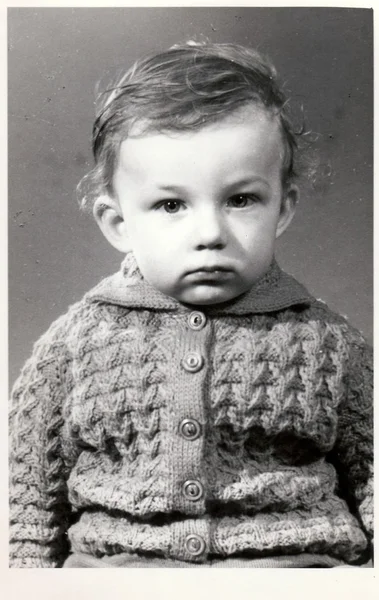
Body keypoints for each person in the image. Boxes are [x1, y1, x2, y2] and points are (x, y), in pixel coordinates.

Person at [9, 41, 373, 568]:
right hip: (123, 575)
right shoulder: (76, 342)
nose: (209, 233)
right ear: (118, 223)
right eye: (171, 204)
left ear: (283, 208)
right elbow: (28, 493)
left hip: (293, 571)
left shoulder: (326, 339)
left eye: (240, 199)